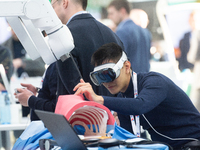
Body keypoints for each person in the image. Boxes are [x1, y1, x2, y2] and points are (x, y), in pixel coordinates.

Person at [74, 42, 200, 150]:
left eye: (109, 74)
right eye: (100, 77)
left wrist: (99, 99)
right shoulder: (122, 99)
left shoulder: (154, 82)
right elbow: (129, 137)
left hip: (192, 143)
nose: (106, 82)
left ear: (127, 67)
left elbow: (140, 105)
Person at [51, 0, 124, 98]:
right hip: (112, 110)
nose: (52, 13)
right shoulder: (112, 34)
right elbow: (124, 81)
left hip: (79, 111)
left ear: (64, 2)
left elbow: (73, 88)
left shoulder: (63, 37)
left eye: (53, 6)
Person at [107, 0, 151, 73]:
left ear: (122, 11)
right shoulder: (145, 31)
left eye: (112, 13)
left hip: (130, 79)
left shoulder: (121, 31)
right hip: (145, 78)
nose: (109, 16)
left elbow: (118, 60)